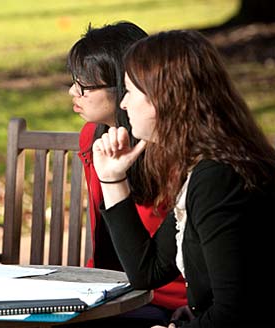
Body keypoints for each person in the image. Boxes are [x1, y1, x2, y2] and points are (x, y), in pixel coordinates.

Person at [93, 29, 275, 327]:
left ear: (164, 98)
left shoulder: (219, 177)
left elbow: (235, 312)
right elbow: (147, 272)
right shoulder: (202, 169)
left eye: (130, 91)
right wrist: (113, 179)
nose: (123, 104)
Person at [67, 21, 187, 325]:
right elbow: (106, 237)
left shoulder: (170, 150)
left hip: (165, 297)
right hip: (108, 287)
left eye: (84, 86)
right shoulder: (92, 137)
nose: (73, 92)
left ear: (125, 86)